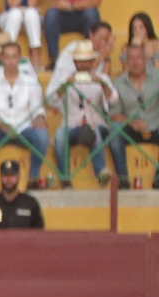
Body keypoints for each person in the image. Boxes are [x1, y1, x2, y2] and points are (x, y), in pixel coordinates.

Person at [0, 42, 50, 189]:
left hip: (24, 128)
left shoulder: (31, 81)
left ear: (19, 58)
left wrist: (38, 119)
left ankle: (33, 178)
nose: (11, 61)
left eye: (14, 57)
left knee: (42, 135)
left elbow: (38, 110)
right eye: (7, 57)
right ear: (1, 58)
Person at [50, 41, 119, 186]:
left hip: (97, 123)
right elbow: (51, 99)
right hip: (72, 124)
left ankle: (100, 172)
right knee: (60, 135)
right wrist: (65, 85)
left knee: (93, 129)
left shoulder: (102, 78)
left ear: (93, 61)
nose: (84, 65)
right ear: (75, 62)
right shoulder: (66, 78)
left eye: (87, 62)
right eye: (80, 62)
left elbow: (113, 99)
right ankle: (65, 178)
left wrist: (102, 84)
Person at [110, 41, 159, 189]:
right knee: (115, 131)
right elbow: (113, 115)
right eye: (131, 58)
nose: (135, 62)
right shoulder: (118, 83)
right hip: (131, 130)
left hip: (155, 126)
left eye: (139, 58)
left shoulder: (157, 78)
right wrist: (131, 121)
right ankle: (123, 180)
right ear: (126, 61)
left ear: (145, 60)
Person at [0, 158, 44, 226]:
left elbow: (40, 234)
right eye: (5, 175)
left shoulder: (30, 203)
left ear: (18, 176)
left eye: (12, 175)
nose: (9, 179)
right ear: (0, 177)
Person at [44, 0, 102, 66]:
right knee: (51, 14)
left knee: (91, 14)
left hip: (83, 15)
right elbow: (57, 4)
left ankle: (90, 57)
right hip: (63, 16)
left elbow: (95, 2)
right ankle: (54, 61)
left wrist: (71, 7)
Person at [0, 0, 46, 68]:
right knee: (16, 13)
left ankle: (36, 57)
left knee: (31, 13)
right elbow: (13, 4)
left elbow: (32, 4)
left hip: (30, 15)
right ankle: (9, 53)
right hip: (9, 14)